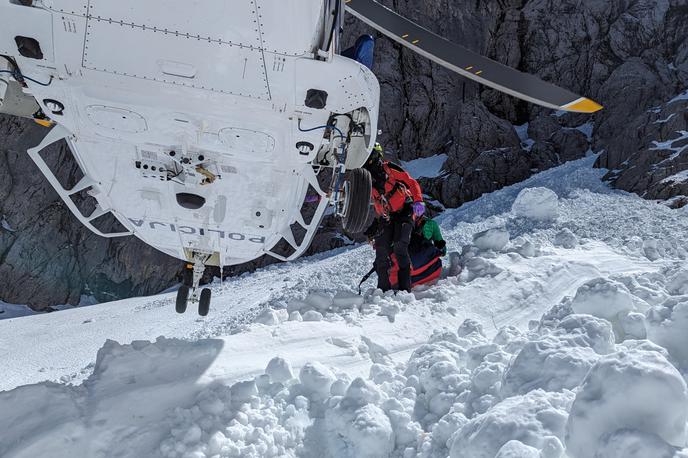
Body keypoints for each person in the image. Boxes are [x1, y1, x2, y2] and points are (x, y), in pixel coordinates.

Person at [364, 143, 425, 292]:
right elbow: (348, 195)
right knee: (381, 251)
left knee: (399, 246)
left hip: (406, 210)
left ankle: (405, 290)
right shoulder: (365, 179)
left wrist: (418, 200)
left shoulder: (389, 168)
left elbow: (411, 182)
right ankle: (382, 292)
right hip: (388, 217)